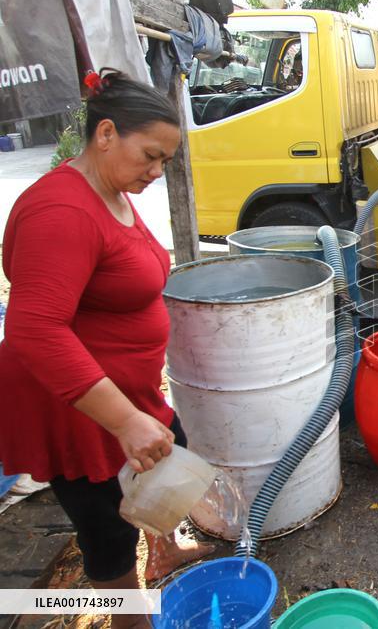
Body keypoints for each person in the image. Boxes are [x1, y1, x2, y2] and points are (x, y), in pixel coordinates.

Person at [0, 70, 213, 628]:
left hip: (124, 391)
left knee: (172, 453)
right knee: (107, 533)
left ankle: (163, 549)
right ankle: (128, 619)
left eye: (165, 160)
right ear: (106, 133)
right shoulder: (62, 211)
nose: (156, 171)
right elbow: (35, 330)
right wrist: (124, 421)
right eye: (150, 155)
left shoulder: (108, 187)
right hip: (80, 407)